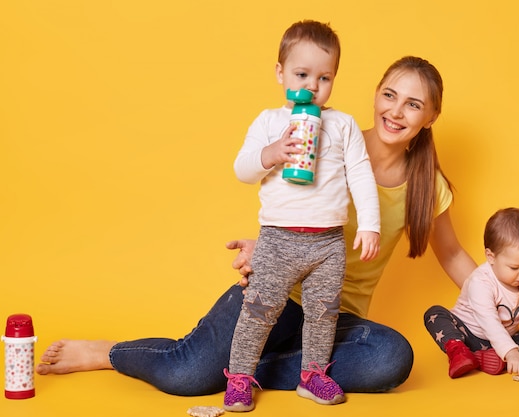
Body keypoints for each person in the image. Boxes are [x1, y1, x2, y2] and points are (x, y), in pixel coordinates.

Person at [36, 55, 477, 396]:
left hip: (336, 319)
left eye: (413, 104)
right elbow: (285, 204)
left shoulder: (427, 186)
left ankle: (243, 371)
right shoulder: (327, 140)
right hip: (279, 292)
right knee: (187, 373)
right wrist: (264, 248)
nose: (396, 111)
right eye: (389, 95)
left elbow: (453, 254)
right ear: (376, 94)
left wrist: (502, 306)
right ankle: (107, 353)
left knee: (391, 358)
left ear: (430, 117)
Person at [224, 20, 380, 412]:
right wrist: (272, 153)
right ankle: (240, 376)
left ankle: (312, 376)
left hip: (328, 243)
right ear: (280, 73)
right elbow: (242, 169)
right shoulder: (269, 121)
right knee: (259, 310)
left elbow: (361, 173)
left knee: (324, 313)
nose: (312, 85)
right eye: (301, 74)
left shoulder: (342, 125)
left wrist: (370, 224)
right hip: (278, 239)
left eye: (323, 77)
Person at [423, 207, 519, 379]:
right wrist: (510, 351)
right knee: (434, 314)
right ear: (491, 257)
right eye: (515, 267)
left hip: (503, 336)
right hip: (469, 333)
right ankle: (458, 350)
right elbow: (489, 321)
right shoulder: (481, 282)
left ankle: (482, 358)